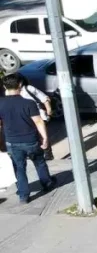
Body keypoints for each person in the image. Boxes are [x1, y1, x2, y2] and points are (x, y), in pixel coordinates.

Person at [0, 73, 54, 203]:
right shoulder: (29, 103)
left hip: (12, 141)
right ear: (20, 85)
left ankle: (23, 195)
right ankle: (47, 183)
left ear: (4, 86)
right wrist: (45, 138)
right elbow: (38, 122)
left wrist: (1, 141)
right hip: (31, 140)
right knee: (39, 162)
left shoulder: (0, 103)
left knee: (19, 167)